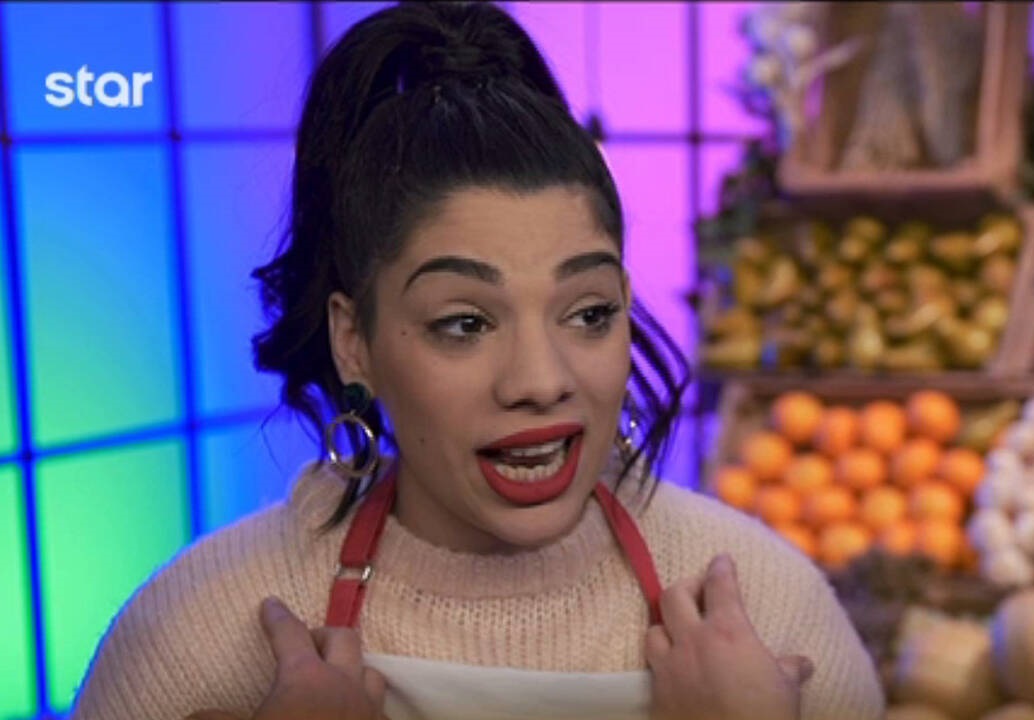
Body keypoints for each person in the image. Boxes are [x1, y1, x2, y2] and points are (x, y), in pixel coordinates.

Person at [68, 3, 885, 719]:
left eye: (589, 314)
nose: (541, 381)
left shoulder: (770, 608)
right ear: (354, 340)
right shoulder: (201, 634)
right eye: (464, 323)